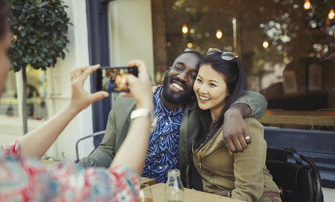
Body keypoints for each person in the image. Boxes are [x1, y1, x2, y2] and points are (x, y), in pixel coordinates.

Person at [0, 0, 153, 202]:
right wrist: (145, 106)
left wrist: (73, 108)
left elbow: (11, 153)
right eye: (5, 52)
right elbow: (114, 196)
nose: (8, 66)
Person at [80, 51, 268, 186]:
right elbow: (107, 149)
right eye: (179, 68)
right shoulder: (126, 104)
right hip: (132, 188)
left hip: (175, 194)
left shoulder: (200, 108)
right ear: (169, 70)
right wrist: (82, 167)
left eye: (194, 76)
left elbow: (255, 98)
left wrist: (234, 112)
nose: (182, 76)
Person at [192, 48, 282, 202]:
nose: (202, 89)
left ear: (229, 91)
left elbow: (248, 193)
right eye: (199, 80)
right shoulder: (205, 119)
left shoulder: (245, 126)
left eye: (212, 84)